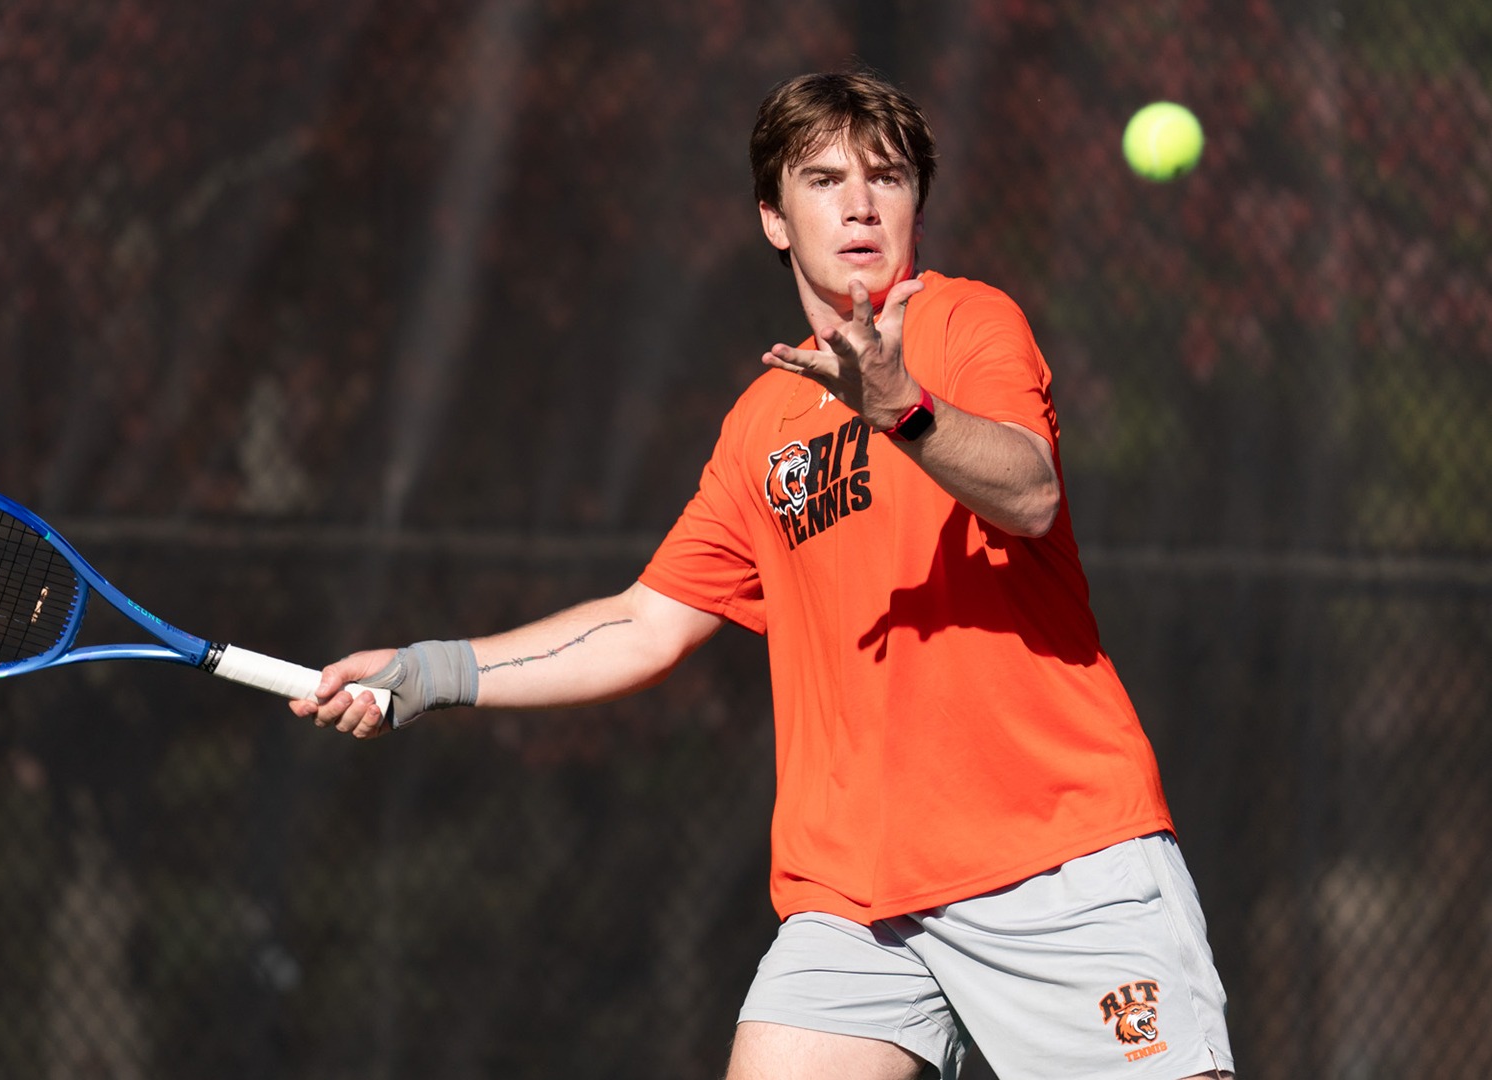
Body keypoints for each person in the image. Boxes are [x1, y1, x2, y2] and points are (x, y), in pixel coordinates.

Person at [292, 66, 1235, 1080]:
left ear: (918, 201)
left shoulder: (968, 326)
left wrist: (901, 406)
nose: (862, 204)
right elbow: (645, 624)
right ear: (774, 219)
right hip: (854, 900)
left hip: (1058, 861)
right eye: (824, 180)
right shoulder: (760, 427)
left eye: (887, 177)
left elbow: (1031, 491)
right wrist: (430, 672)